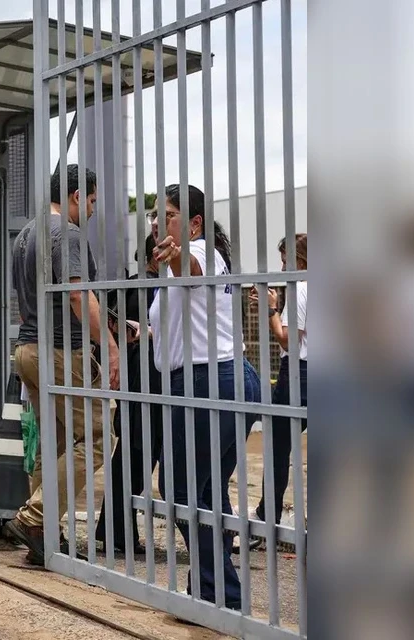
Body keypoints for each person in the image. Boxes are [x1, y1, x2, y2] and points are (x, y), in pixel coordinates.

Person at [147, 183, 260, 610]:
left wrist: (176, 254)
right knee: (208, 491)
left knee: (178, 488)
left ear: (195, 223)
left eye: (169, 214)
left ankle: (222, 594)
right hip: (221, 378)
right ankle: (209, 591)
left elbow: (191, 269)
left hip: (207, 382)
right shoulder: (178, 268)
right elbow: (181, 327)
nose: (159, 222)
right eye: (156, 215)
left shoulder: (203, 254)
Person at [2, 164, 120, 566]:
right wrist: (109, 343)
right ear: (75, 197)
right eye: (90, 201)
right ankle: (34, 516)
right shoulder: (66, 233)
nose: (91, 209)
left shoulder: (25, 235)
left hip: (29, 349)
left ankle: (43, 533)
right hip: (59, 350)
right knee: (101, 435)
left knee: (52, 442)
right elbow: (75, 295)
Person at [94, 234, 164, 556]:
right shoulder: (152, 288)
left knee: (131, 455)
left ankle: (114, 529)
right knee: (137, 457)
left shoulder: (128, 287)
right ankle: (117, 531)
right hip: (150, 382)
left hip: (130, 380)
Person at [248, 232, 308, 545]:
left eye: (286, 260)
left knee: (277, 447)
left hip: (299, 374)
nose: (282, 267)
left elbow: (288, 340)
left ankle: (266, 517)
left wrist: (271, 310)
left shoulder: (299, 291)